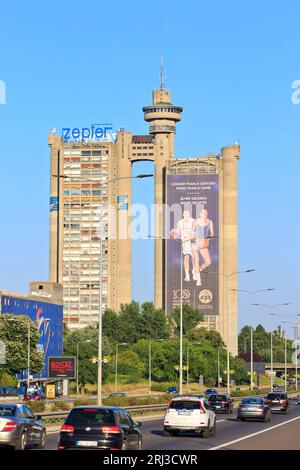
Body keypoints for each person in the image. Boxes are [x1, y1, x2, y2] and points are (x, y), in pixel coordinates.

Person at [192, 208, 214, 286]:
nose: (205, 214)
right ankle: (199, 280)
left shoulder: (210, 222)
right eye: (203, 213)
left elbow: (212, 233)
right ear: (200, 214)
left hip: (203, 244)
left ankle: (197, 269)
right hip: (195, 243)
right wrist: (196, 240)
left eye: (206, 213)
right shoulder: (196, 221)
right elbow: (192, 232)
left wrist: (207, 239)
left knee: (208, 262)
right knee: (196, 260)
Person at [170, 210, 195, 282]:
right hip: (185, 242)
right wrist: (173, 234)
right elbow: (177, 233)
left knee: (194, 258)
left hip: (192, 241)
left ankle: (194, 272)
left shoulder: (193, 220)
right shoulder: (180, 222)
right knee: (186, 257)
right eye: (185, 214)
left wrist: (190, 235)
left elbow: (194, 230)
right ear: (183, 215)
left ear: (189, 214)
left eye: (187, 214)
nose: (186, 215)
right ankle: (187, 275)